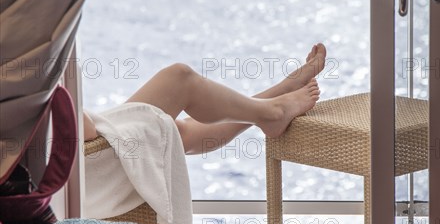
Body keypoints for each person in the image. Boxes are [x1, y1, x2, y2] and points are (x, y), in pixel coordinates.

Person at [83, 43, 327, 154]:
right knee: (179, 80)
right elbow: (85, 131)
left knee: (175, 131)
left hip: (80, 156)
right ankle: (271, 112)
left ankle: (274, 100)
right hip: (81, 166)